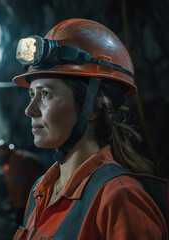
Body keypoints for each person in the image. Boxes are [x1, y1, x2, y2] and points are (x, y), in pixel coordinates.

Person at [11, 18, 169, 239]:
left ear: (94, 106)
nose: (30, 109)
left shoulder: (120, 199)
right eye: (31, 94)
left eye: (46, 94)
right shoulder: (41, 190)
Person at [0, 140, 46, 227]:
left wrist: (13, 204)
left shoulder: (18, 160)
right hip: (25, 201)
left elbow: (18, 186)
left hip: (32, 202)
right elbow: (13, 187)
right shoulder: (10, 162)